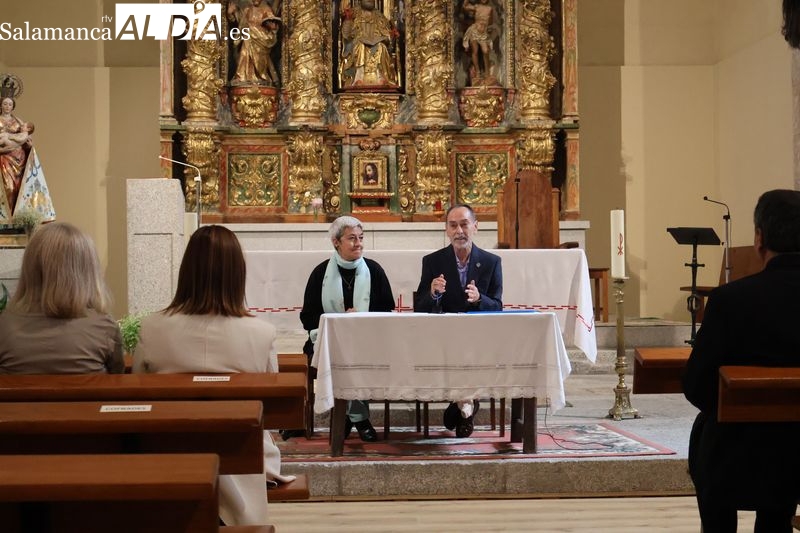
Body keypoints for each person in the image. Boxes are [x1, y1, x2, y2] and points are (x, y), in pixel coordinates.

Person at [133, 225, 295, 527]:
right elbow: (270, 406)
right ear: (237, 273)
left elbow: (138, 391)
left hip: (169, 451)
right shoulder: (261, 334)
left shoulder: (152, 328)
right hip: (241, 456)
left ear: (187, 271)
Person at [682, 189, 800, 533]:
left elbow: (696, 385)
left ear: (759, 239)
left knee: (710, 431)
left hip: (737, 454)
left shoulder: (731, 300)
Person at [299, 215, 395, 442]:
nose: (359, 243)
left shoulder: (374, 270)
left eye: (361, 238)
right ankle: (359, 419)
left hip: (369, 341)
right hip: (326, 341)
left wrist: (361, 319)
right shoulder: (320, 273)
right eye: (352, 238)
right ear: (336, 242)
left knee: (358, 354)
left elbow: (387, 312)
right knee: (342, 355)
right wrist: (339, 322)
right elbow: (307, 318)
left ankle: (346, 417)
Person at [414, 203, 503, 437]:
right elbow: (420, 306)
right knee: (453, 353)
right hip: (445, 335)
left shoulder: (492, 262)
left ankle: (462, 407)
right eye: (453, 225)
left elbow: (497, 306)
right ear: (446, 230)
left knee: (471, 354)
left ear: (475, 226)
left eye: (464, 224)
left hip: (478, 336)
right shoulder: (432, 262)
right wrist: (433, 293)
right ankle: (467, 406)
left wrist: (479, 299)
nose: (459, 231)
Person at [0, 222, 123, 375]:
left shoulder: (4, 325)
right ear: (87, 271)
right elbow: (117, 378)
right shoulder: (104, 328)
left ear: (30, 270)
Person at [339, 0, 399, 89]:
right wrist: (348, 20)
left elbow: (387, 35)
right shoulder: (354, 13)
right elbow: (346, 35)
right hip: (358, 44)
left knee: (381, 47)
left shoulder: (380, 16)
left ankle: (381, 76)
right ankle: (358, 77)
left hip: (376, 44)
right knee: (360, 46)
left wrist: (391, 35)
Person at [228, 0, 281, 85]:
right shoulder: (247, 10)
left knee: (260, 59)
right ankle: (242, 77)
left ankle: (261, 77)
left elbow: (272, 23)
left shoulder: (266, 9)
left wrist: (272, 27)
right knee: (244, 55)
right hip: (248, 37)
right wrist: (231, 13)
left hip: (261, 38)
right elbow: (240, 22)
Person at [0, 96, 33, 214]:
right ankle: (5, 219)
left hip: (18, 158)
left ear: (13, 106)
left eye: (10, 104)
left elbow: (26, 138)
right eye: (5, 104)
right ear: (1, 105)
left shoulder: (19, 122)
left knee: (18, 189)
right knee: (8, 187)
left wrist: (28, 145)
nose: (7, 106)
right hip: (3, 158)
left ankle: (15, 218)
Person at [462, 0, 496, 85]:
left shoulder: (490, 8)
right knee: (475, 51)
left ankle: (487, 73)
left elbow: (491, 21)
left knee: (486, 51)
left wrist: (486, 25)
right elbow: (465, 7)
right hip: (474, 31)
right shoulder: (477, 7)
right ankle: (478, 72)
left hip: (483, 33)